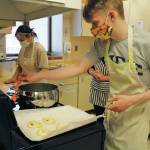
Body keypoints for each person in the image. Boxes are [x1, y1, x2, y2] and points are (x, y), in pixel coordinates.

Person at [21, 0, 150, 149]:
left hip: (136, 120)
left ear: (112, 15)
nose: (93, 30)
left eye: (95, 24)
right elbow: (77, 68)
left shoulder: (145, 43)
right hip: (112, 118)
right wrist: (38, 76)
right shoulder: (102, 44)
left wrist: (131, 100)